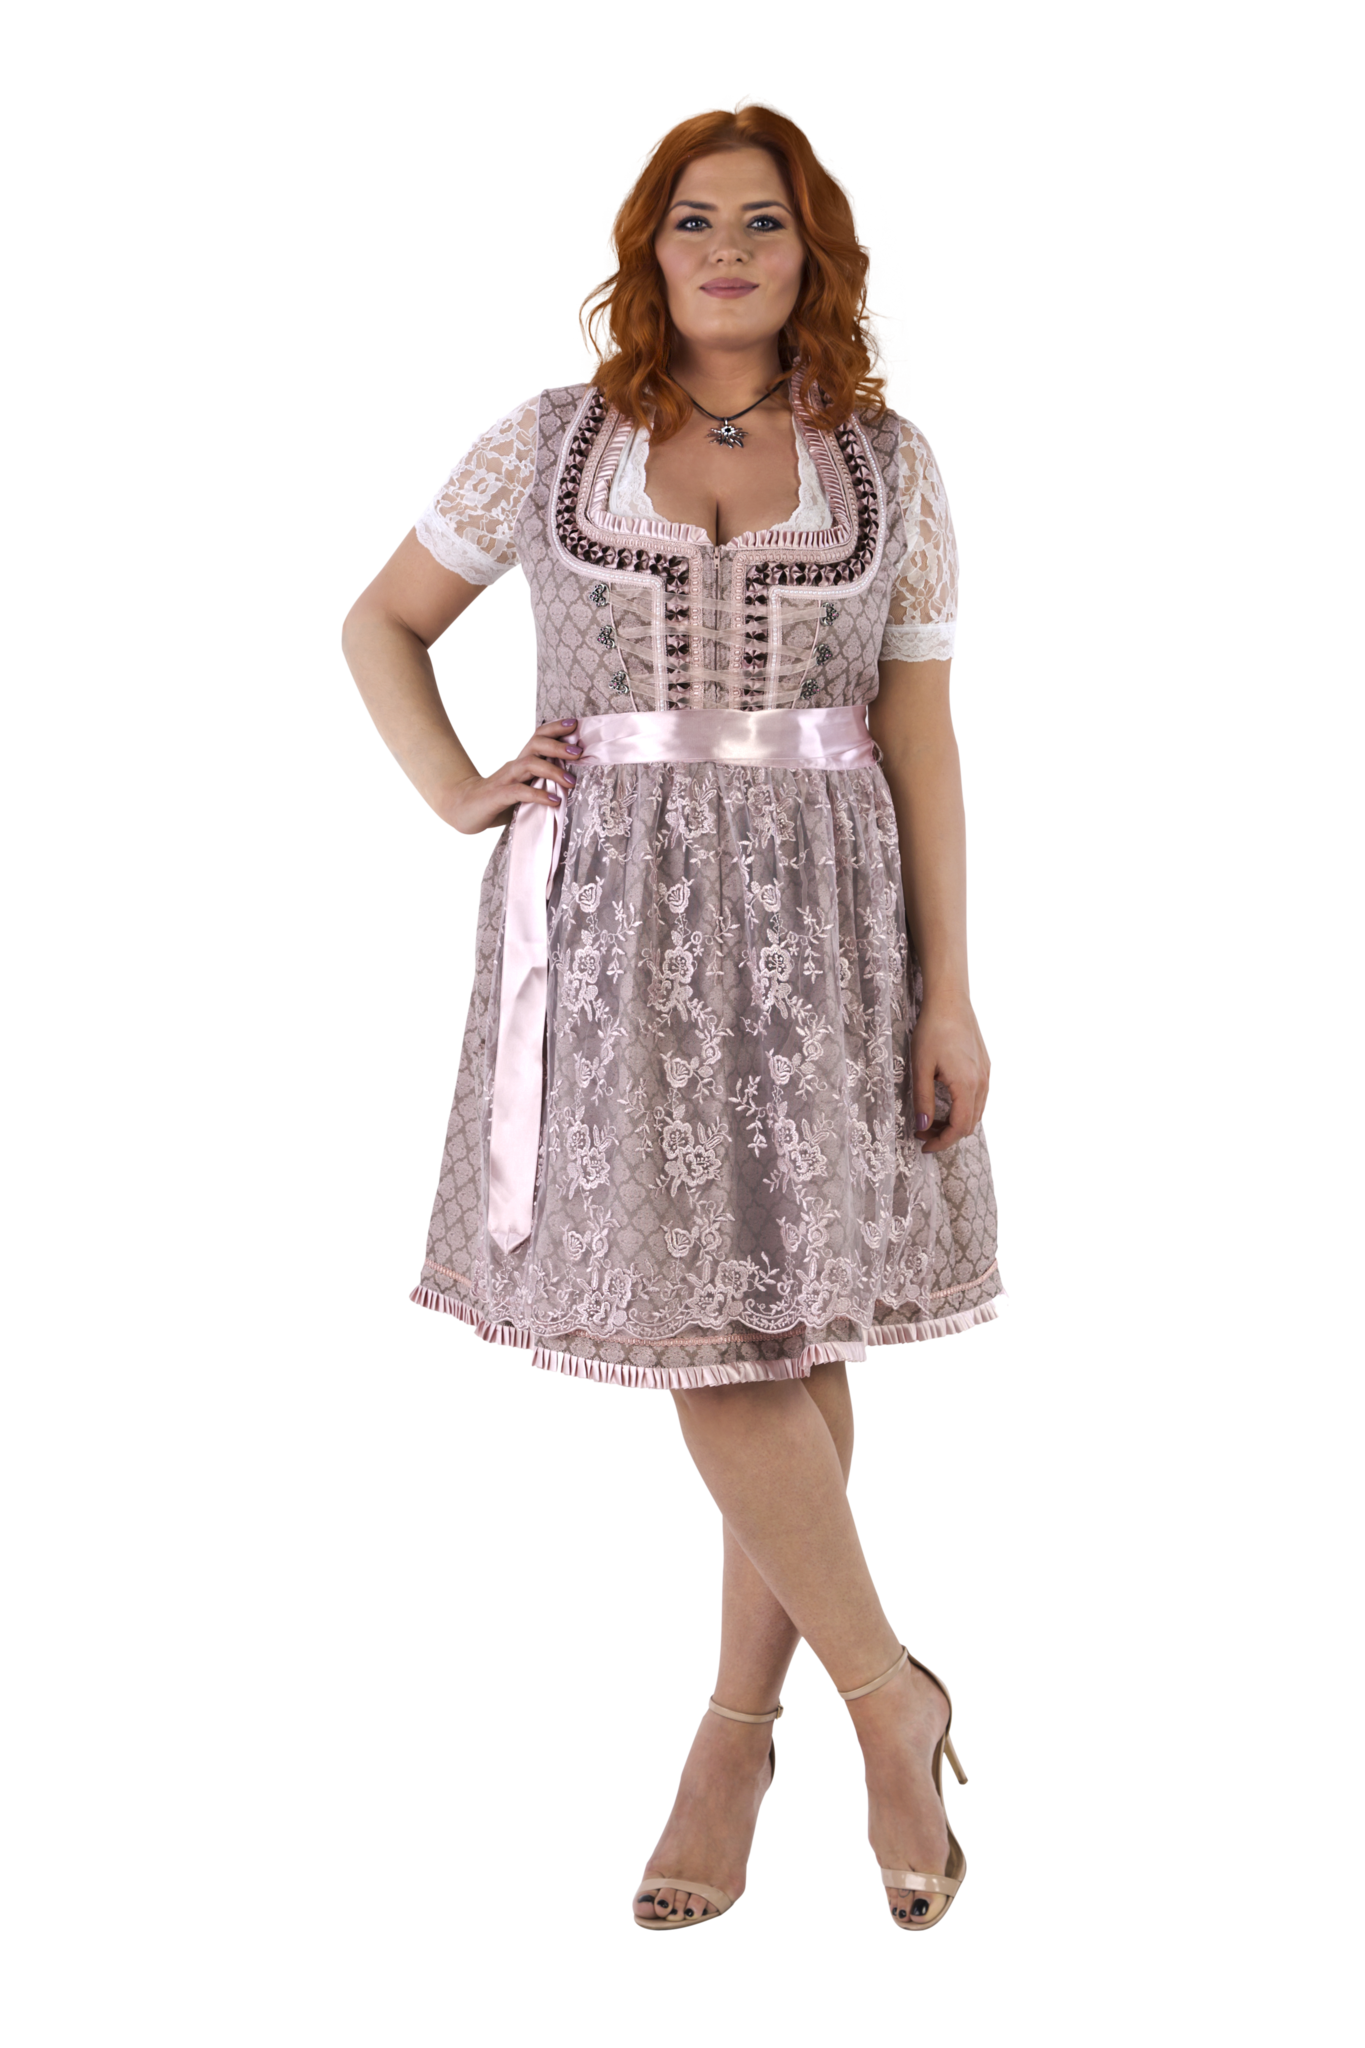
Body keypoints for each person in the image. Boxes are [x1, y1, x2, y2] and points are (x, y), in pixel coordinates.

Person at [339, 91, 1006, 1935]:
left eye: (765, 222)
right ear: (646, 248)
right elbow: (380, 623)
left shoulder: (892, 463)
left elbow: (925, 736)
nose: (726, 251)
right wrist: (459, 789)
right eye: (693, 221)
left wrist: (953, 991)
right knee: (708, 1343)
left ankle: (735, 1735)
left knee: (801, 1339)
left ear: (820, 255)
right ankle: (888, 1704)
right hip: (613, 933)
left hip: (830, 934)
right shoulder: (548, 439)